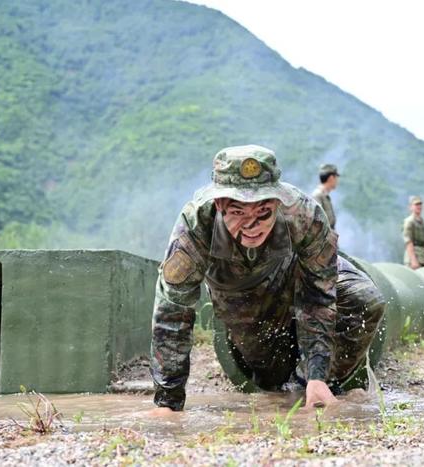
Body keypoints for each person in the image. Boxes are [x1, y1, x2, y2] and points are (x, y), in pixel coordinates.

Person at [148, 145, 385, 415]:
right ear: (220, 205)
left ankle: (306, 388)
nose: (252, 227)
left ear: (276, 202)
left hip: (290, 269)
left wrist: (317, 375)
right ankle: (286, 384)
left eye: (262, 213)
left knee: (364, 299)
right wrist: (168, 401)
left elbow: (318, 296)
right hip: (236, 290)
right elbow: (173, 313)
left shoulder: (304, 214)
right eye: (238, 213)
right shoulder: (195, 226)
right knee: (266, 368)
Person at [402, 196, 424, 269]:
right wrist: (413, 260)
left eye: (420, 204)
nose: (419, 206)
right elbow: (408, 242)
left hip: (422, 258)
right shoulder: (409, 222)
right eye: (416, 205)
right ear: (411, 207)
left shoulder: (423, 222)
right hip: (413, 257)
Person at [311, 164, 339, 230]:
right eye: (336, 177)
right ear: (331, 178)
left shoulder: (324, 195)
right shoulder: (318, 195)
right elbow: (318, 222)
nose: (337, 181)